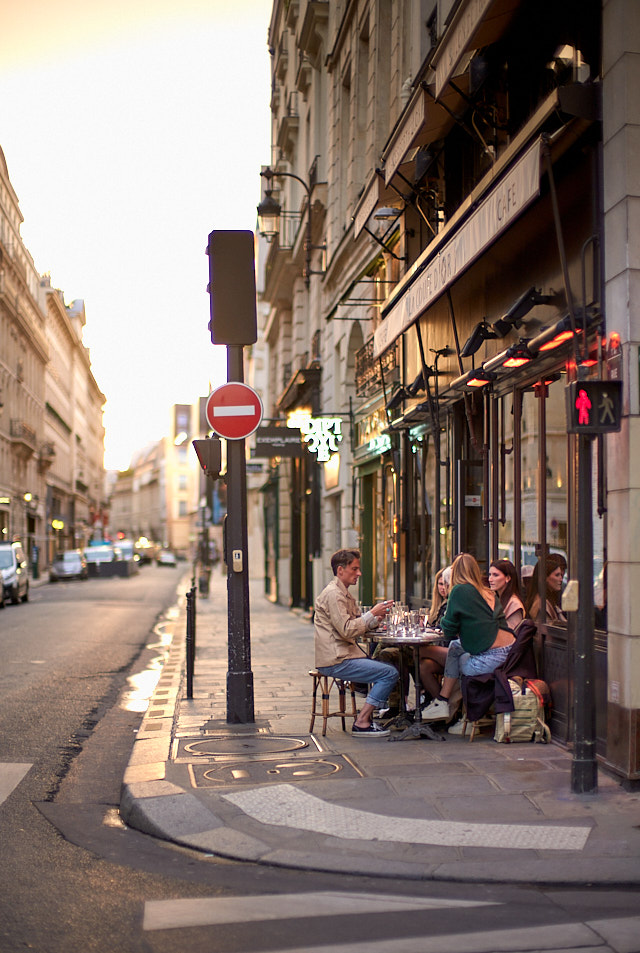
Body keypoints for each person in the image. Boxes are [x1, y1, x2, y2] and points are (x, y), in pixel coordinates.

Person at [314, 548, 399, 737]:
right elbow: (347, 630)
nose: (359, 573)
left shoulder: (343, 593)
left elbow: (355, 624)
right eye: (355, 569)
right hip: (337, 659)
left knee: (391, 663)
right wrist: (372, 614)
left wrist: (376, 619)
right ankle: (362, 722)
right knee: (389, 673)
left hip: (343, 655)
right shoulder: (334, 595)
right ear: (340, 570)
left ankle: (391, 711)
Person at [421, 552, 516, 722]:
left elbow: (448, 629)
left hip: (491, 658)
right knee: (456, 647)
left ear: (455, 571)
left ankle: (453, 711)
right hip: (510, 653)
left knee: (458, 661)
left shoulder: (459, 590)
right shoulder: (487, 592)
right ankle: (443, 702)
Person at [525, 553, 567, 624]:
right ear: (545, 577)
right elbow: (546, 631)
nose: (561, 579)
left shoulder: (548, 600)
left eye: (561, 574)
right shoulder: (541, 604)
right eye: (557, 575)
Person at [488, 559, 525, 630]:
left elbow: (512, 635)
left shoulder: (514, 604)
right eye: (490, 574)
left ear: (508, 578)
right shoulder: (497, 599)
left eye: (495, 575)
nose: (490, 579)